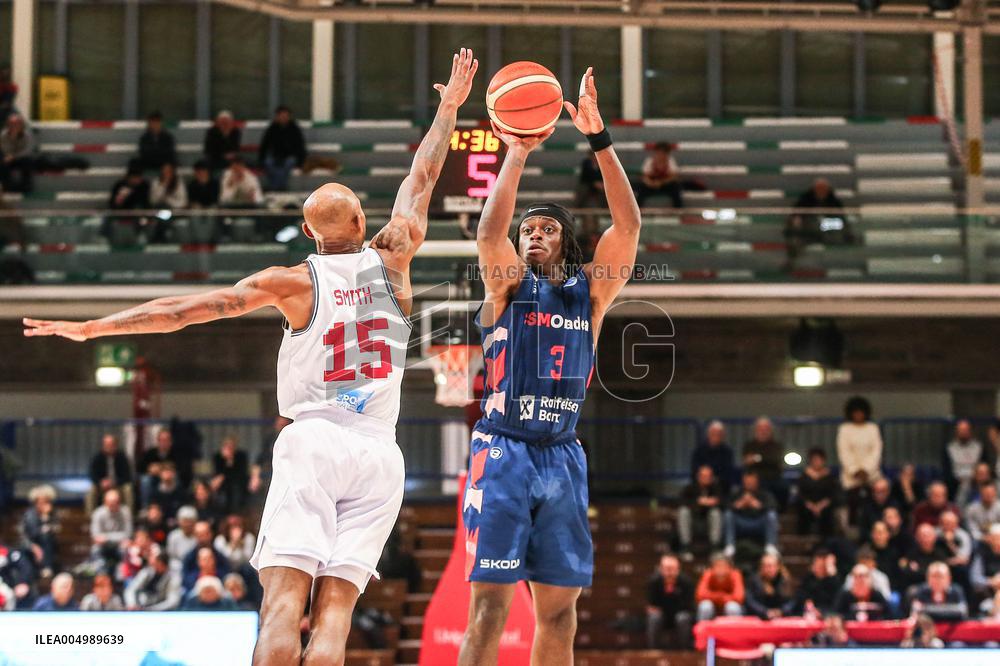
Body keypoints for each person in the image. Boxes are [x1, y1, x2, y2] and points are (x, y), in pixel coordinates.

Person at [25, 46, 477, 666]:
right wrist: (449, 107)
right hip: (380, 452)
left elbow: (184, 312)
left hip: (315, 440)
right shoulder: (394, 257)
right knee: (336, 613)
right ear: (365, 221)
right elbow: (422, 178)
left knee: (284, 604)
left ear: (309, 230)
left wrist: (91, 329)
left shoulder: (291, 281)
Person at [457, 67, 641, 666]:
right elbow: (489, 231)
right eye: (528, 229)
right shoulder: (507, 287)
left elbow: (630, 226)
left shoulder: (590, 295)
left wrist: (599, 138)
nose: (534, 234)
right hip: (504, 451)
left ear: (565, 241)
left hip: (562, 455)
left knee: (559, 613)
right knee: (489, 610)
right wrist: (513, 152)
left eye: (546, 228)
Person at [784, 178, 845, 267]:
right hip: (809, 228)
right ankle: (792, 261)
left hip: (827, 229)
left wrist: (822, 223)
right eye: (819, 189)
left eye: (823, 189)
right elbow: (796, 213)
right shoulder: (806, 198)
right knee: (796, 236)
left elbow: (840, 220)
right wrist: (797, 219)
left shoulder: (833, 200)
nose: (821, 191)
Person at [836, 396, 883, 513]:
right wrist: (855, 470)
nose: (858, 415)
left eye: (861, 412)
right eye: (855, 412)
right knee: (852, 506)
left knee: (873, 507)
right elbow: (844, 451)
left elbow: (876, 451)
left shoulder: (873, 428)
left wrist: (866, 470)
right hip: (851, 477)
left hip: (872, 476)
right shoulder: (844, 429)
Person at [724, 470, 779, 558]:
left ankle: (770, 545)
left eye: (751, 481)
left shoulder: (764, 493)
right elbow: (726, 505)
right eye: (747, 481)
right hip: (741, 523)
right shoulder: (737, 493)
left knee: (771, 515)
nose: (749, 483)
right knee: (728, 515)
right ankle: (730, 545)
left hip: (758, 523)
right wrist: (740, 504)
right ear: (743, 481)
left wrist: (757, 504)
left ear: (756, 481)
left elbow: (773, 506)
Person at [645, 554, 694, 649]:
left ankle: (684, 651)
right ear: (661, 569)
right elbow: (651, 606)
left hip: (680, 615)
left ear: (678, 569)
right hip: (662, 616)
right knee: (654, 618)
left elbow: (689, 606)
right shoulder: (653, 582)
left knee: (682, 618)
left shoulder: (686, 582)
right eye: (667, 569)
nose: (669, 573)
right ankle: (653, 651)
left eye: (672, 569)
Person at [678, 465, 724, 559]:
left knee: (716, 513)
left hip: (709, 520)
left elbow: (724, 503)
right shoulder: (690, 488)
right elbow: (681, 502)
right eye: (703, 476)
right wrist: (698, 502)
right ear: (698, 476)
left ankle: (715, 547)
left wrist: (713, 503)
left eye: (708, 476)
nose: (706, 478)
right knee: (683, 512)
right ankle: (685, 546)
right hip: (693, 519)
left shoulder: (716, 488)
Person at [742, 417, 787, 509]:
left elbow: (776, 460)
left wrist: (757, 458)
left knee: (784, 487)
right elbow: (747, 461)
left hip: (774, 477)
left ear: (770, 431)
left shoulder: (777, 445)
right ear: (756, 430)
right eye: (760, 429)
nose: (763, 431)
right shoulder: (749, 445)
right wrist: (766, 459)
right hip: (755, 478)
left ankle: (779, 510)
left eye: (766, 429)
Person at [258, 106, 307, 191]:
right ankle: (279, 187)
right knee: (268, 163)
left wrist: (300, 163)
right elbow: (264, 146)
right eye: (281, 116)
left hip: (290, 156)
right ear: (277, 117)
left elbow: (300, 147)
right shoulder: (272, 129)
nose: (283, 118)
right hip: (275, 156)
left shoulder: (295, 129)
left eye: (285, 116)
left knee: (288, 164)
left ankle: (275, 187)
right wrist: (261, 160)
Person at [795, 447, 841, 537]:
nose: (817, 462)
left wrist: (821, 505)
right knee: (802, 512)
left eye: (819, 459)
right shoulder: (804, 476)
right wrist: (810, 505)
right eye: (814, 460)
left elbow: (833, 494)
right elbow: (800, 493)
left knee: (828, 513)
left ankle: (826, 541)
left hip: (825, 506)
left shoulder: (829, 476)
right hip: (807, 505)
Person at [86, 433, 133, 514]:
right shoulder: (97, 457)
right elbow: (92, 474)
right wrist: (100, 482)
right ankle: (90, 518)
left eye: (111, 444)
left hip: (118, 485)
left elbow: (127, 476)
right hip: (102, 486)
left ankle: (129, 515)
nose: (108, 447)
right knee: (91, 491)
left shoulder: (122, 457)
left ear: (115, 445)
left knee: (128, 489)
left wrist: (114, 482)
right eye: (106, 444)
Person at [20, 484, 59, 578]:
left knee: (47, 538)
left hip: (46, 544)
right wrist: (34, 547)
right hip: (30, 543)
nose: (43, 504)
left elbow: (55, 529)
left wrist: (46, 516)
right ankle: (46, 568)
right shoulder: (30, 514)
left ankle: (47, 568)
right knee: (45, 536)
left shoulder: (52, 513)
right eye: (40, 501)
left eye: (46, 501)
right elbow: (33, 534)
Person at [90, 488, 133, 570]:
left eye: (115, 503)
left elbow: (128, 534)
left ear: (119, 502)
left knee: (127, 548)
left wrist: (106, 537)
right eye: (110, 503)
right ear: (105, 502)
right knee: (95, 550)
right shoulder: (98, 513)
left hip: (120, 546)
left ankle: (122, 576)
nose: (113, 505)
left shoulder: (125, 512)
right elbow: (96, 536)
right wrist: (118, 537)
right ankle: (101, 576)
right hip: (103, 546)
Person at [138, 429, 182, 508]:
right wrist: (149, 469)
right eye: (161, 440)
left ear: (170, 442)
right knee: (145, 480)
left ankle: (176, 506)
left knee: (177, 479)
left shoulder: (177, 453)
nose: (164, 443)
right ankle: (146, 508)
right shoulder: (150, 452)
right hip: (154, 478)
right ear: (157, 441)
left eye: (166, 440)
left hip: (171, 477)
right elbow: (140, 467)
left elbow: (182, 468)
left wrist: (167, 471)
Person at [690, 420, 736, 495]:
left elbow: (728, 472)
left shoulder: (727, 452)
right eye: (713, 433)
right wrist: (703, 477)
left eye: (719, 434)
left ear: (723, 435)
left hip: (720, 485)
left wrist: (711, 478)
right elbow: (694, 468)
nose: (716, 436)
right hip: (700, 484)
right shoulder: (699, 450)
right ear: (708, 434)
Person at [943, 419, 985, 502]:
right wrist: (958, 480)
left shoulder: (979, 447)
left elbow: (983, 465)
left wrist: (973, 478)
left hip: (976, 482)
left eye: (965, 430)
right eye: (961, 430)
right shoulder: (949, 448)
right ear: (956, 431)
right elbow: (947, 470)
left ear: (970, 431)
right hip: (955, 483)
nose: (963, 432)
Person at [900, 523, 951, 591]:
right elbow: (908, 574)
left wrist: (919, 571)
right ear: (917, 538)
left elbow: (943, 574)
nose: (925, 539)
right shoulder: (911, 553)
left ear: (934, 537)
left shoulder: (940, 554)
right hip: (917, 588)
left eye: (928, 536)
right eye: (922, 536)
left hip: (938, 587)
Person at [695, 554, 744, 621]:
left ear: (730, 567)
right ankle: (702, 630)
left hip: (727, 607)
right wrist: (721, 596)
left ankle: (733, 630)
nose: (721, 569)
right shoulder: (708, 574)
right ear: (712, 567)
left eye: (724, 566)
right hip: (713, 607)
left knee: (732, 607)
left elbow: (739, 597)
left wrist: (717, 597)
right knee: (705, 606)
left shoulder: (735, 574)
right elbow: (699, 595)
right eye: (717, 566)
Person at [793, 549, 841, 616]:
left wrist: (832, 577)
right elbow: (799, 597)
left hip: (827, 615)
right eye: (817, 564)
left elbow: (835, 604)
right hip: (806, 615)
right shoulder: (808, 579)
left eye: (823, 566)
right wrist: (806, 602)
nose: (819, 568)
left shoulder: (834, 581)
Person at [745, 552, 793, 619]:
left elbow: (791, 601)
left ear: (778, 567)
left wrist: (781, 611)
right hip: (759, 615)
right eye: (765, 566)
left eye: (771, 566)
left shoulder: (784, 580)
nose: (768, 569)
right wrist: (765, 611)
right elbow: (750, 601)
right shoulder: (754, 580)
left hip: (781, 615)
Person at [634, 142, 682, 208]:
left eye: (663, 153)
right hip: (650, 185)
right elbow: (644, 177)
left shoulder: (670, 161)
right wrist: (651, 183)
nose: (661, 155)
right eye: (659, 153)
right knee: (641, 188)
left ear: (667, 154)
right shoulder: (649, 161)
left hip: (665, 185)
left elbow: (674, 177)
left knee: (676, 187)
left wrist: (661, 183)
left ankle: (678, 210)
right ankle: (637, 210)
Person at [210, 435, 250, 514]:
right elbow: (218, 472)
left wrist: (230, 460)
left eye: (231, 446)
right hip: (224, 484)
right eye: (227, 446)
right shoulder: (218, 457)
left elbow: (240, 472)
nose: (229, 449)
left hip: (238, 482)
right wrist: (227, 462)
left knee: (236, 490)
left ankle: (236, 513)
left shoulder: (241, 456)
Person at [0, 113, 33, 193]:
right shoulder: (3, 135)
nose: (14, 126)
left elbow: (27, 150)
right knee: (2, 162)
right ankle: (8, 186)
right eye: (11, 124)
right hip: (8, 158)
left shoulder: (26, 135)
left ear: (21, 125)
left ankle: (26, 186)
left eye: (16, 123)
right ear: (8, 124)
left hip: (20, 158)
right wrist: (12, 136)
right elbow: (5, 150)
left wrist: (14, 156)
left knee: (28, 161)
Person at [970, 524, 1000, 605]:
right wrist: (991, 581)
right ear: (989, 539)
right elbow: (975, 578)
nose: (998, 541)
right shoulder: (981, 554)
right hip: (987, 595)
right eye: (995, 538)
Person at [166, 506, 199, 570]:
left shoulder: (198, 536)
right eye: (185, 521)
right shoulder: (173, 536)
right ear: (179, 521)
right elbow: (171, 556)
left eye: (190, 521)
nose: (187, 524)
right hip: (177, 566)